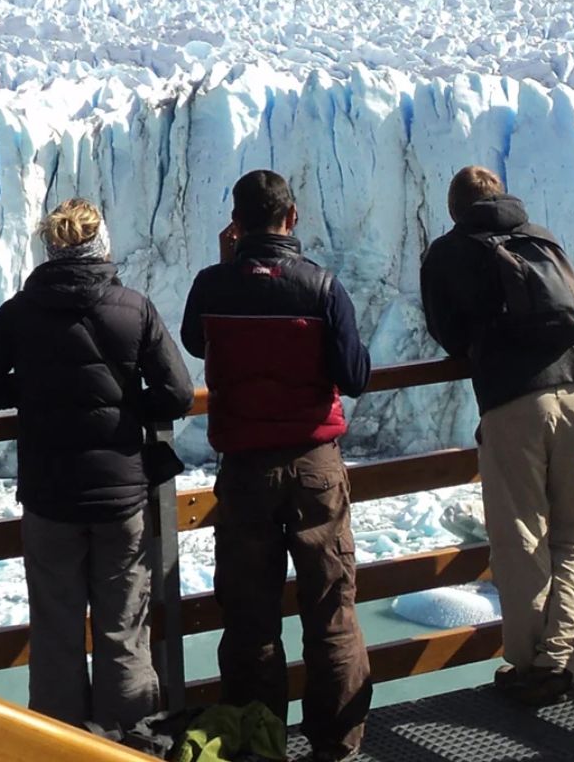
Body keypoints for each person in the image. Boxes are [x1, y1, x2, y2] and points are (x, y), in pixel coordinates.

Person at [0, 198, 195, 734]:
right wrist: (129, 403)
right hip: (120, 497)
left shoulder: (19, 312)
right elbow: (177, 393)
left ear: (51, 247)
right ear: (101, 245)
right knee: (123, 630)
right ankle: (127, 743)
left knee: (57, 631)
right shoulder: (133, 308)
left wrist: (32, 392)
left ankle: (59, 747)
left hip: (50, 499)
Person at [179, 170, 373, 761]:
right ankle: (335, 746)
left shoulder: (212, 284)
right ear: (292, 218)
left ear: (236, 224)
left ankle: (260, 748)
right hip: (314, 467)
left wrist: (228, 264)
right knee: (331, 612)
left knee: (249, 618)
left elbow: (193, 342)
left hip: (244, 470)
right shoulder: (322, 288)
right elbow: (355, 375)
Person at [419, 165, 574, 706]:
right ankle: (566, 655)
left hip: (514, 399)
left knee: (523, 536)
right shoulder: (540, 237)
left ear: (456, 209)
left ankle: (531, 665)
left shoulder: (450, 253)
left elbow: (449, 335)